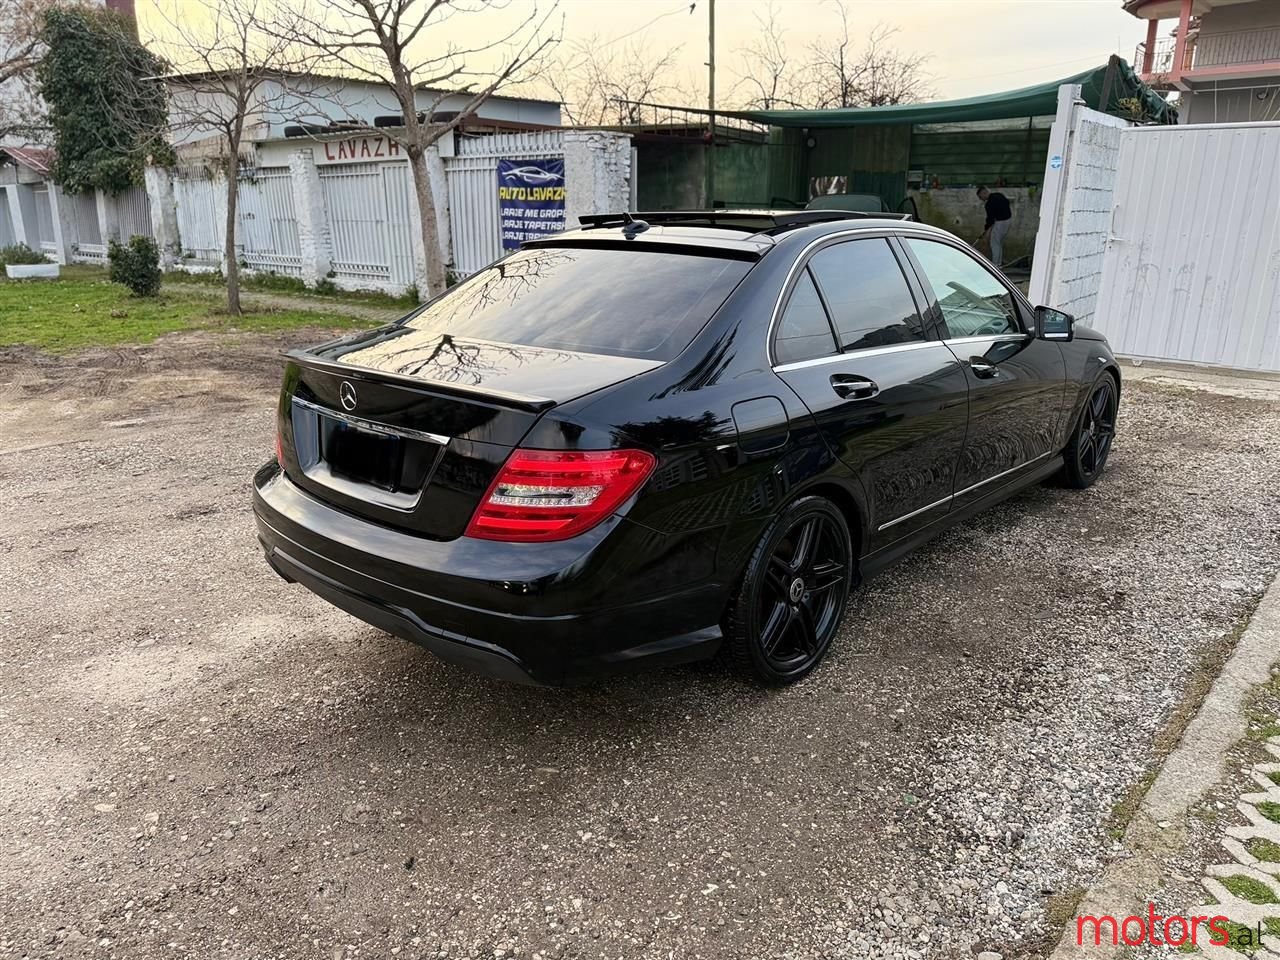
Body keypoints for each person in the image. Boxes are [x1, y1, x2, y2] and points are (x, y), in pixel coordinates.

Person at [976, 185, 1012, 267]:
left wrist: (986, 230)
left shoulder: (989, 204)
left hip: (1000, 223)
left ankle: (995, 265)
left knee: (994, 243)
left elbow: (990, 219)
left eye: (980, 196)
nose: (980, 199)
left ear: (984, 193)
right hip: (1008, 221)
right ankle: (999, 264)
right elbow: (1007, 203)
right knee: (999, 243)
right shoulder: (999, 195)